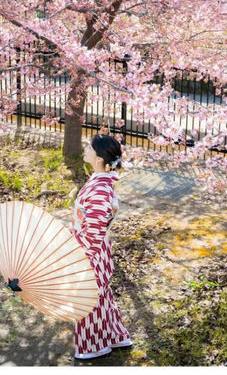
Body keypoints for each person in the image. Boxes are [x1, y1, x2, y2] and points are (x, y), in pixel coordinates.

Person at [70, 134, 132, 361]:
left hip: (91, 253)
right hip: (95, 250)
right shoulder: (102, 181)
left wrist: (77, 255)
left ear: (98, 158)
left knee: (88, 301)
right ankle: (114, 337)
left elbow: (94, 233)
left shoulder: (99, 191)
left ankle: (93, 347)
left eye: (89, 147)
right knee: (101, 299)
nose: (85, 149)